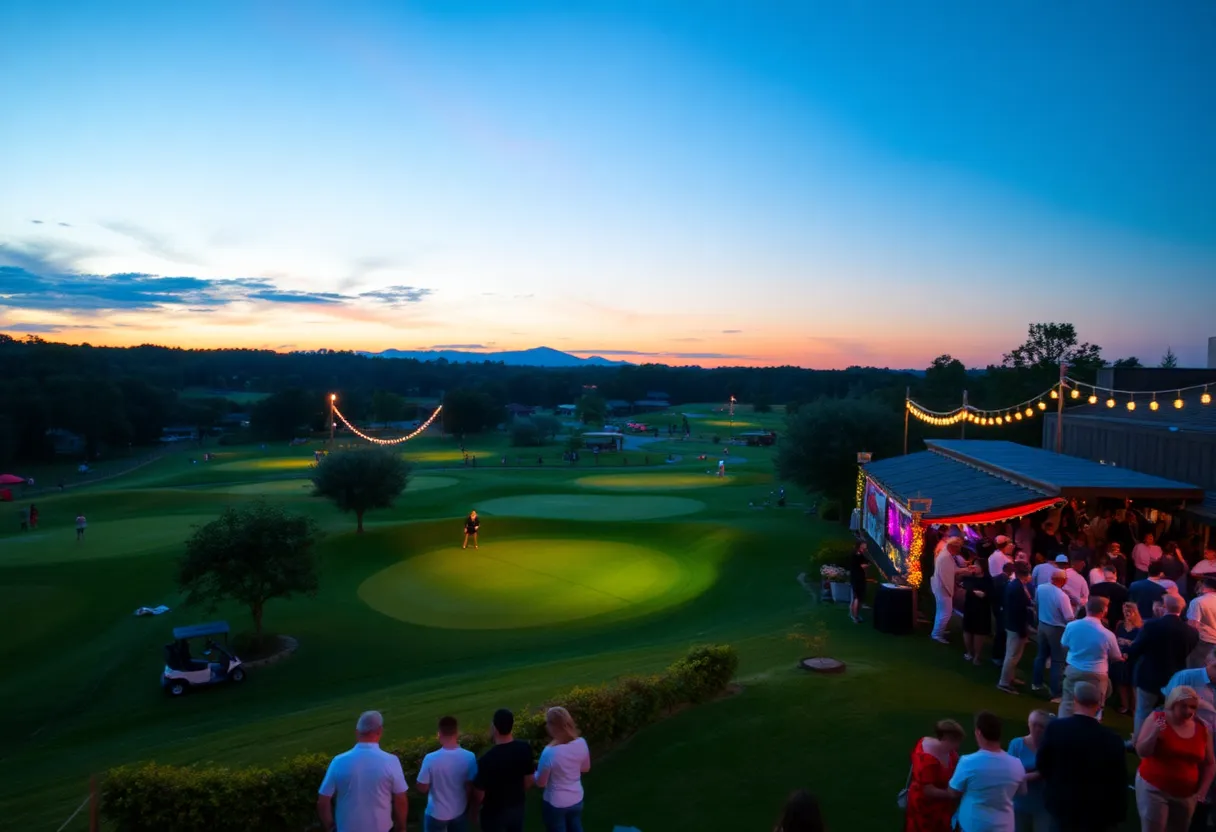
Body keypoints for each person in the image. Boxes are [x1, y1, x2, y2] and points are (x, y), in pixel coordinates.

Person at [1036, 681, 1129, 832]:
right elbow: (1118, 780)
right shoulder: (1112, 739)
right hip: (1097, 812)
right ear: (1098, 705)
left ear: (1075, 700)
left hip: (1062, 806)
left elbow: (1043, 764)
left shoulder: (1056, 728)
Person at [1135, 686, 1216, 831]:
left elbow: (1210, 763)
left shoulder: (1202, 728)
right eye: (1183, 706)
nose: (1189, 711)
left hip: (1186, 794)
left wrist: (1202, 791)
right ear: (1173, 704)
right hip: (1154, 788)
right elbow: (1142, 751)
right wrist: (1154, 733)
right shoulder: (1158, 719)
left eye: (1192, 707)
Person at [318, 711, 409, 832]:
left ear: (357, 732)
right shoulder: (391, 761)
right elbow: (401, 800)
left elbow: (323, 801)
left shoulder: (338, 761)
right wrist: (401, 827)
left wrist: (330, 827)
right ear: (380, 731)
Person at [1128, 594, 1201, 740]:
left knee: (1143, 710)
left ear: (1164, 607)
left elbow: (1136, 649)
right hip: (1173, 677)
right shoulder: (1191, 632)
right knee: (1164, 711)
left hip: (1149, 675)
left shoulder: (1152, 626)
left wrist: (1129, 652)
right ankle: (1158, 738)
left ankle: (1139, 740)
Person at [947, 711, 1025, 832]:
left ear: (978, 732)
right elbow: (1022, 791)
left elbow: (953, 792)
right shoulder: (1017, 764)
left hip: (973, 826)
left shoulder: (968, 762)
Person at [1058, 596, 1123, 717]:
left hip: (1074, 669)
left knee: (1067, 703)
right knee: (1095, 706)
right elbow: (1115, 656)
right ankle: (1090, 729)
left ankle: (1062, 729)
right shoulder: (1107, 635)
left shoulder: (1071, 626)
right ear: (1104, 612)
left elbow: (1064, 645)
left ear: (1086, 608)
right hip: (1097, 674)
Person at [473, 709, 534, 832]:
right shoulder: (524, 748)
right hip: (517, 806)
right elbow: (529, 780)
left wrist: (474, 811)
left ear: (494, 728)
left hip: (493, 812)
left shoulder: (486, 759)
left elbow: (479, 793)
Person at [416, 716, 477, 832]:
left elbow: (422, 788)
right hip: (459, 810)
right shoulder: (469, 757)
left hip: (436, 813)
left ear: (439, 734)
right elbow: (470, 786)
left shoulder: (430, 759)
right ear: (457, 733)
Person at [535, 706, 590, 832]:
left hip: (556, 803)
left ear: (553, 726)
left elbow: (541, 782)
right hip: (577, 799)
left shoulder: (549, 752)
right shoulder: (581, 743)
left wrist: (533, 774)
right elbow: (585, 768)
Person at [903, 719, 964, 832]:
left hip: (942, 807)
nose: (957, 746)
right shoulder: (926, 759)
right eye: (955, 742)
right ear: (946, 739)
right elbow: (928, 790)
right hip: (925, 809)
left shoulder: (949, 752)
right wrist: (951, 794)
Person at [1006, 710, 1053, 832]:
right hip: (1019, 803)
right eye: (1034, 724)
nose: (1037, 729)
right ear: (1028, 724)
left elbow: (1050, 771)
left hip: (1042, 805)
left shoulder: (1050, 747)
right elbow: (1009, 772)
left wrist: (1025, 776)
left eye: (1041, 726)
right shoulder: (1016, 744)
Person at [1033, 571, 1074, 701]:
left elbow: (1036, 604)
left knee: (1041, 655)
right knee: (1058, 660)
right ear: (1063, 581)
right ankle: (1055, 692)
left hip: (1042, 625)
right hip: (1056, 629)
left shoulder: (1040, 588)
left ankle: (1036, 683)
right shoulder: (1062, 596)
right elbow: (1069, 617)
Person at [998, 562, 1035, 694]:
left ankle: (1010, 678)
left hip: (1012, 624)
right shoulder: (1017, 587)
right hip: (1015, 626)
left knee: (1013, 655)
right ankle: (1004, 683)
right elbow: (1018, 611)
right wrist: (1023, 630)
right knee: (1012, 655)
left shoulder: (1015, 584)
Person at [930, 537, 969, 644]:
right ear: (953, 546)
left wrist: (965, 570)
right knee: (945, 613)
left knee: (942, 612)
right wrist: (949, 591)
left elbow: (952, 570)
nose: (958, 551)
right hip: (943, 589)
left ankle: (938, 631)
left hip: (941, 588)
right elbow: (946, 576)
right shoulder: (945, 557)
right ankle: (937, 634)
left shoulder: (946, 555)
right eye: (958, 548)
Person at [1114, 602, 1145, 716]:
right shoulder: (1120, 624)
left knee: (1133, 684)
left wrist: (1128, 643)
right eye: (1124, 611)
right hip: (1121, 657)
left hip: (1134, 659)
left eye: (1129, 611)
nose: (1126, 614)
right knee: (1121, 682)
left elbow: (1141, 644)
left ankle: (1134, 708)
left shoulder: (1141, 627)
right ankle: (1124, 705)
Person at [961, 553, 992, 666]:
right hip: (970, 606)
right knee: (967, 629)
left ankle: (977, 656)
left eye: (977, 566)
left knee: (979, 631)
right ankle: (969, 652)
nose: (975, 567)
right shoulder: (969, 577)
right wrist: (967, 570)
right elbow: (962, 583)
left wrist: (984, 595)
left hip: (982, 608)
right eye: (974, 565)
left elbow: (991, 594)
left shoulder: (988, 579)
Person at [1187, 577, 1216, 669]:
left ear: (1204, 586)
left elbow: (1192, 625)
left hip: (1204, 641)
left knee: (1198, 669)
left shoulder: (1198, 602)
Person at [991, 561, 1015, 666]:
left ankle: (997, 655)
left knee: (999, 633)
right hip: (1001, 609)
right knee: (1001, 634)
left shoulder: (996, 578)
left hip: (996, 608)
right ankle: (997, 657)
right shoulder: (1005, 581)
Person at [1090, 566, 1129, 631]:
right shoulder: (1124, 590)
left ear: (1103, 574)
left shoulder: (1094, 588)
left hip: (1097, 623)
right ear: (1115, 574)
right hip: (1116, 624)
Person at [848, 541, 869, 624]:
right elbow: (862, 565)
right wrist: (866, 565)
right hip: (858, 578)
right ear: (860, 546)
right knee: (857, 598)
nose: (865, 548)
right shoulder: (858, 555)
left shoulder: (858, 554)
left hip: (855, 578)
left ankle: (853, 614)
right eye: (864, 547)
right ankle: (855, 616)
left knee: (856, 597)